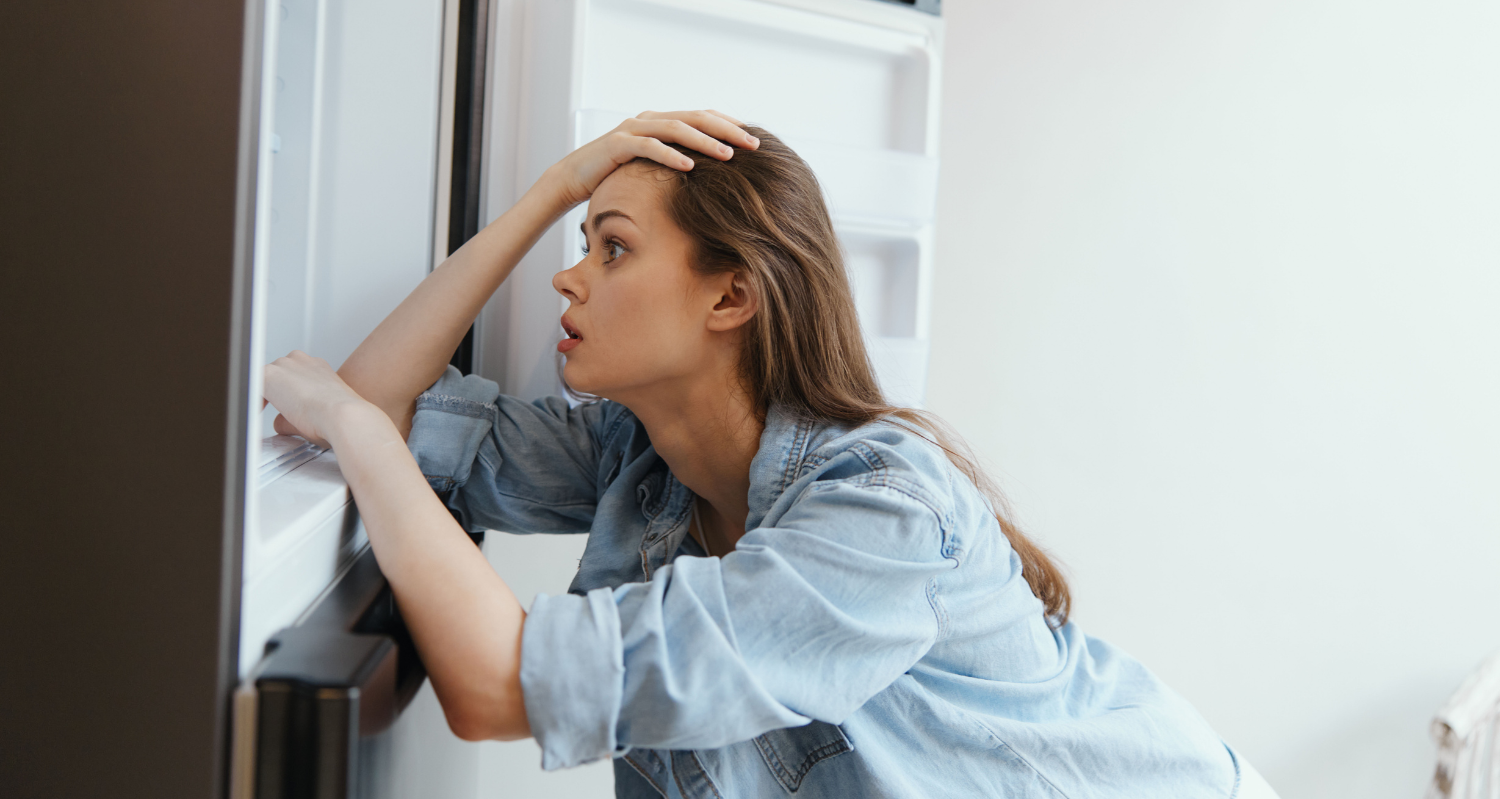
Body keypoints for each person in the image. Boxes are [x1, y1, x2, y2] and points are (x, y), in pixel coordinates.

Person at [264, 110, 1276, 798]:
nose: (570, 280)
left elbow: (496, 683)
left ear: (730, 295)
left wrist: (354, 428)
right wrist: (555, 185)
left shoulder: (879, 510)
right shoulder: (644, 461)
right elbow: (383, 395)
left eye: (610, 246)